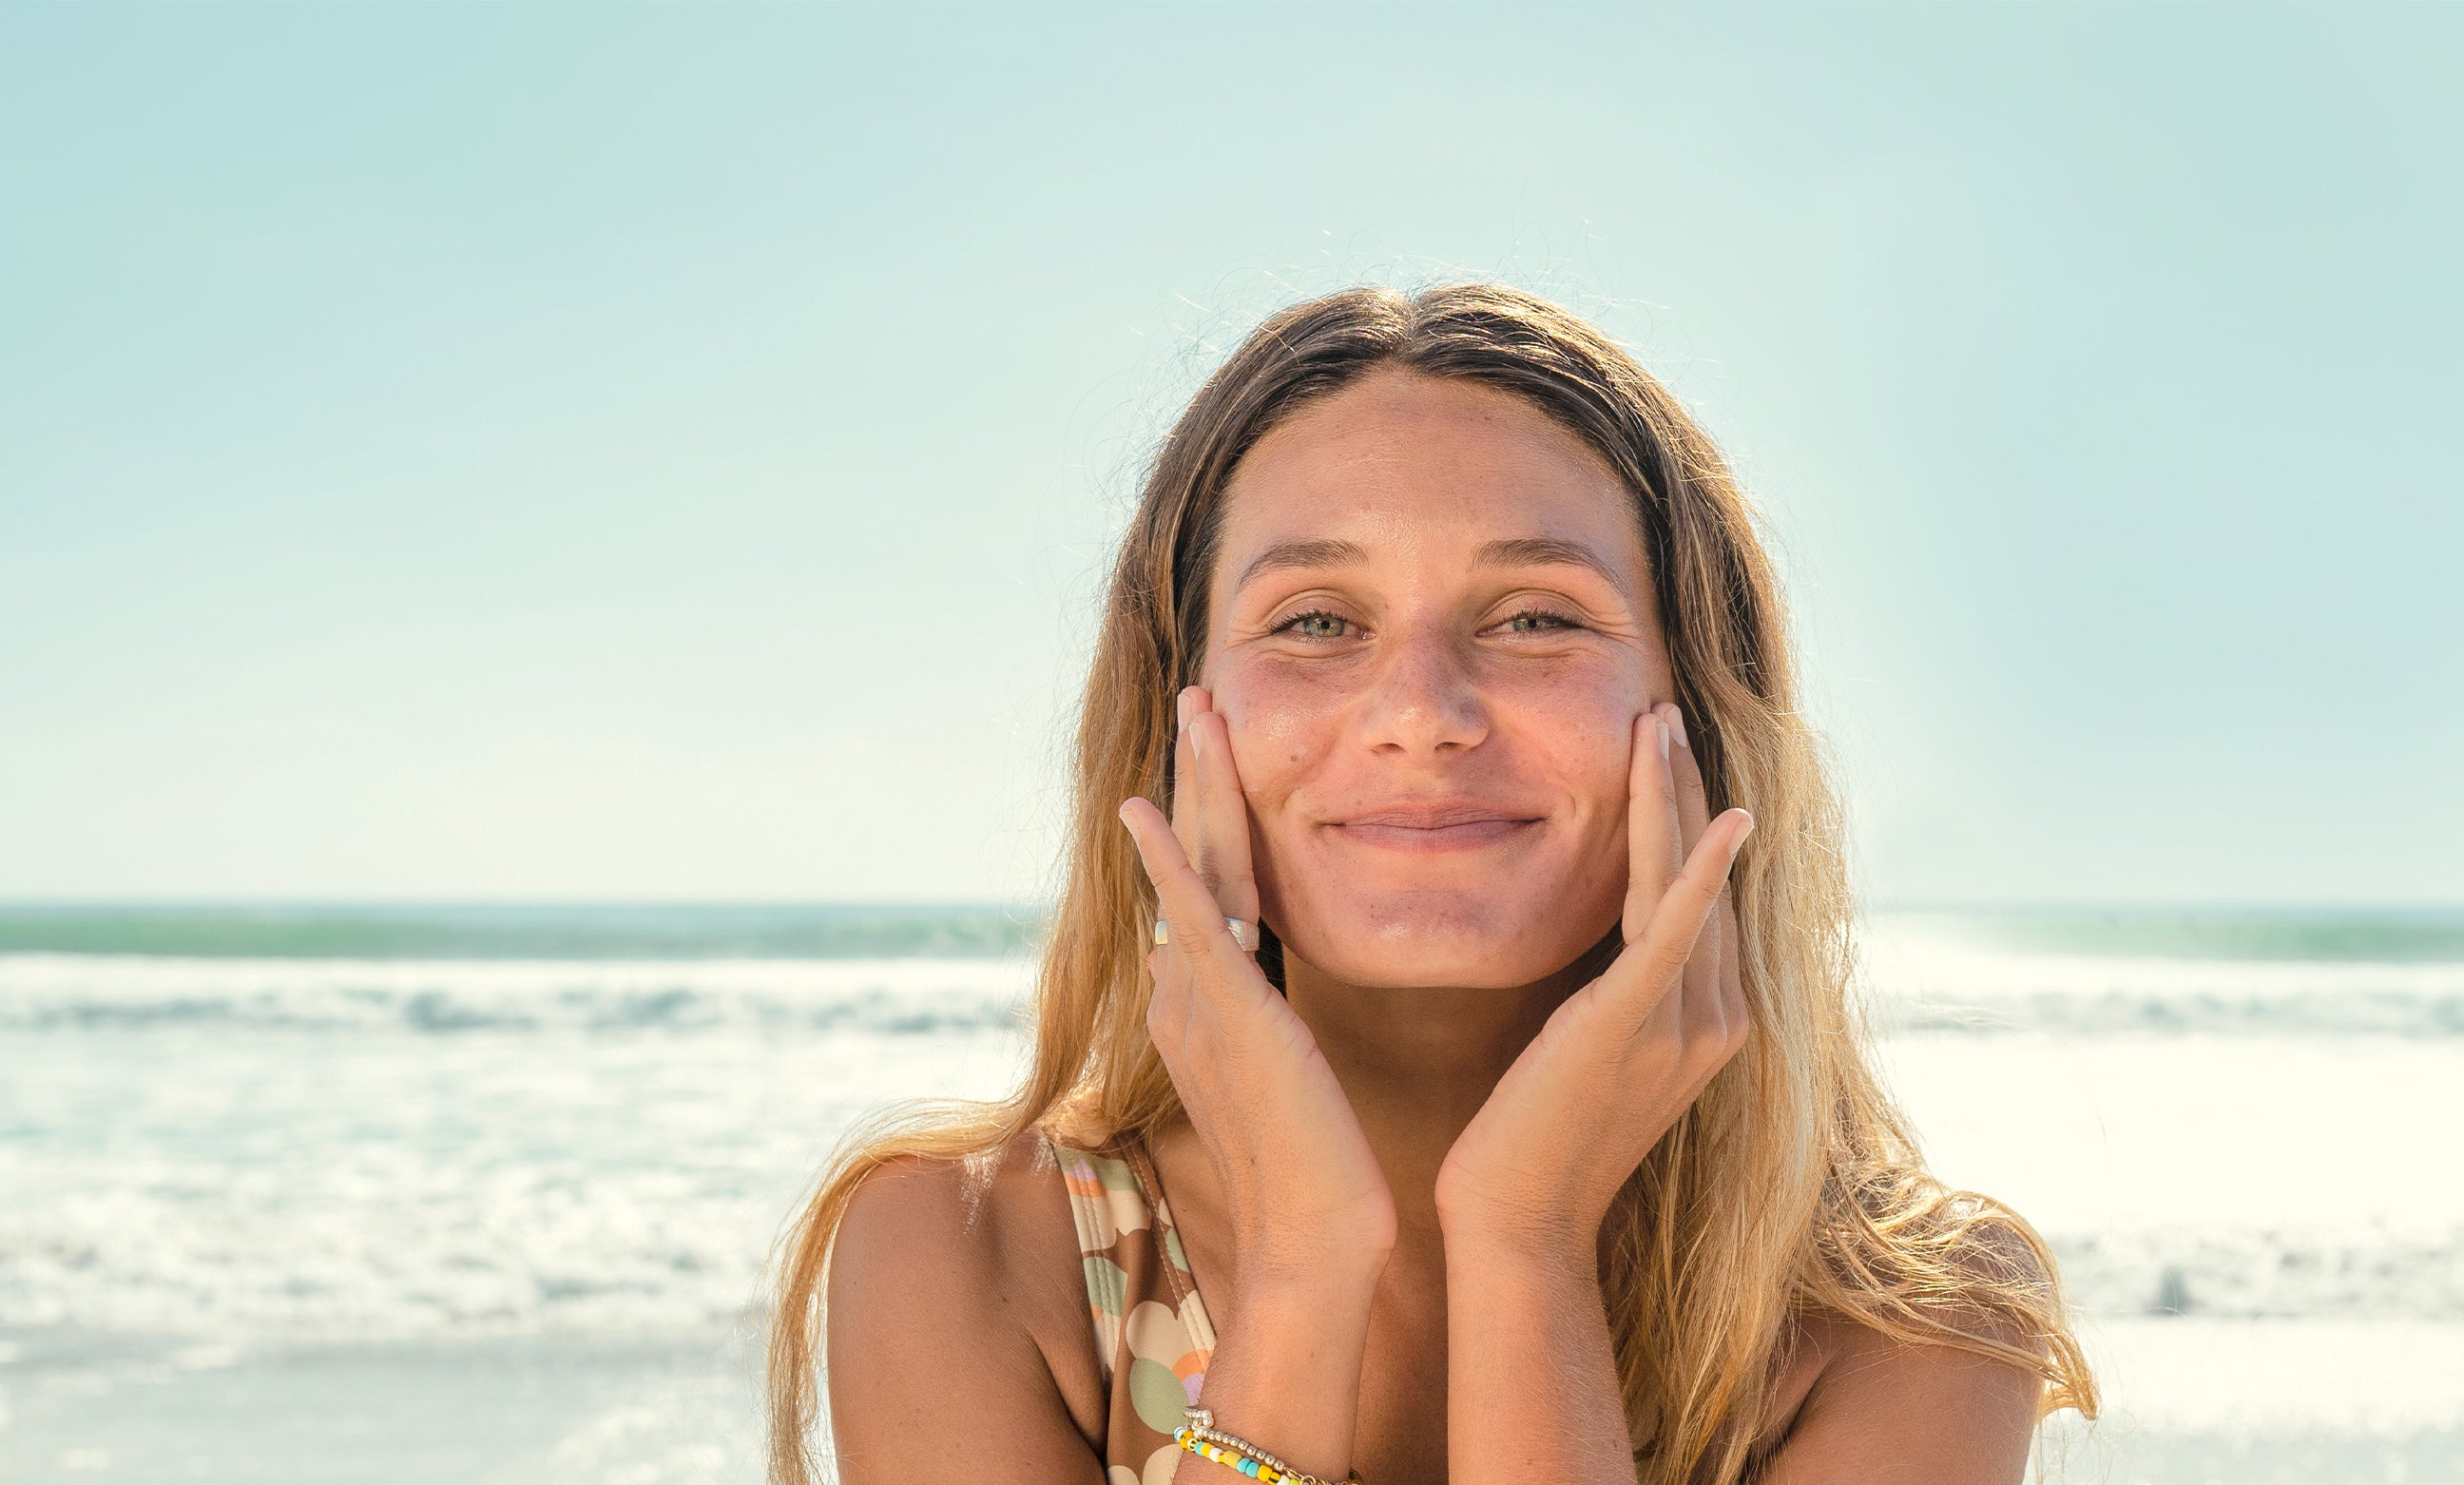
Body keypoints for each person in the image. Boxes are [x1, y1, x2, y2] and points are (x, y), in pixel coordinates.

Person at [765, 284, 2094, 1485]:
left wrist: (1525, 1242)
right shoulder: (974, 1252)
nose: (1420, 712)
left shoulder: (1910, 1319)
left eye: (1536, 616)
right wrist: (1302, 1265)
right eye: (1316, 621)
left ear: (1698, 699)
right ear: (1177, 712)